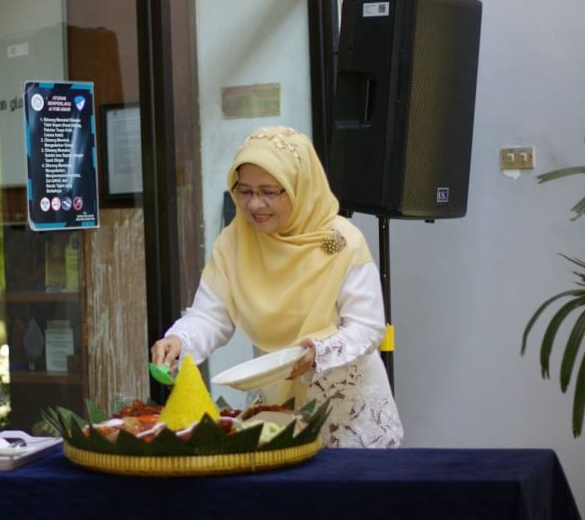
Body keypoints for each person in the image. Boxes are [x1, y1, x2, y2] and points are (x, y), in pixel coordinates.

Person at [151, 126, 402, 448]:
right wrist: (178, 340)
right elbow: (211, 317)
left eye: (270, 192)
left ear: (299, 187)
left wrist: (319, 353)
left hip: (348, 416)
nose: (255, 205)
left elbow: (367, 328)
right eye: (244, 191)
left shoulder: (340, 241)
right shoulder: (234, 241)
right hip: (277, 413)